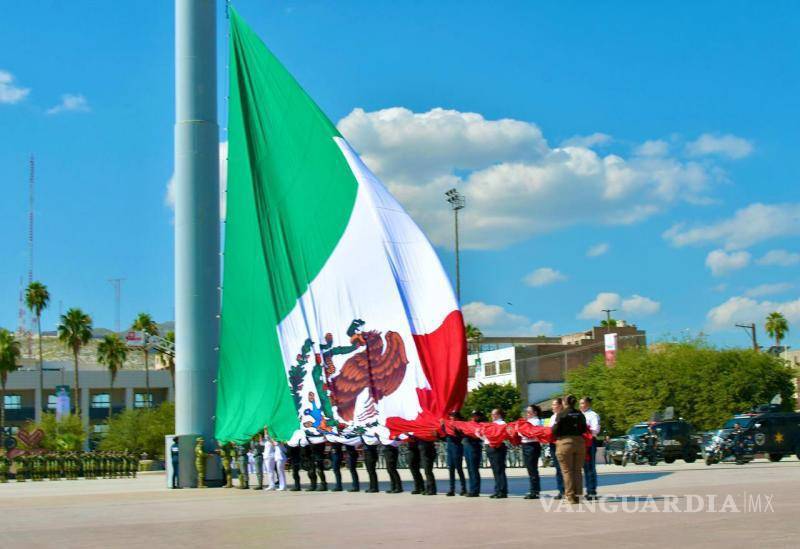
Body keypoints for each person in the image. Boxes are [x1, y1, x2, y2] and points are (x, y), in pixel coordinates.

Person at [552, 394, 587, 504]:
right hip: (579, 442)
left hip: (565, 443)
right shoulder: (580, 413)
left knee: (567, 471)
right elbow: (584, 429)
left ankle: (570, 497)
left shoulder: (561, 414)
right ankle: (579, 496)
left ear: (564, 402)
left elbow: (555, 430)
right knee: (578, 471)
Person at [521, 404, 543, 499]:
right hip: (526, 445)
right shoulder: (528, 421)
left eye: (529, 411)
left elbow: (532, 433)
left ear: (535, 412)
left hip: (532, 445)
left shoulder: (536, 421)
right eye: (526, 411)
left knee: (532, 469)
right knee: (530, 469)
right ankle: (534, 490)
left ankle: (534, 491)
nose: (527, 413)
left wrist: (522, 431)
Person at [580, 397, 600, 500]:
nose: (580, 405)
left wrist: (585, 429)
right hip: (581, 442)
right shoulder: (579, 415)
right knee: (585, 467)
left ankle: (592, 491)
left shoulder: (593, 415)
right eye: (580, 403)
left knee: (590, 467)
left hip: (590, 441)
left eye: (582, 403)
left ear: (588, 404)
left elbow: (595, 429)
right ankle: (588, 490)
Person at [485, 408, 508, 499]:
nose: (492, 416)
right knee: (495, 470)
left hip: (498, 447)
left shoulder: (502, 424)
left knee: (499, 470)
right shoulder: (491, 424)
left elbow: (499, 435)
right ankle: (497, 489)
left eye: (493, 414)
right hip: (490, 447)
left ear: (499, 415)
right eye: (492, 414)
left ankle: (502, 491)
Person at [445, 411, 466, 496]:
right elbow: (445, 438)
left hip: (457, 448)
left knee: (459, 469)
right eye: (450, 416)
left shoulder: (460, 425)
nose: (451, 417)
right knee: (451, 469)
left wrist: (454, 430)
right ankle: (452, 489)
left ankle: (463, 489)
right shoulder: (448, 425)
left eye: (453, 416)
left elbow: (460, 437)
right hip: (450, 449)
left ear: (457, 417)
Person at [463, 410, 484, 497]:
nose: (474, 417)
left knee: (474, 469)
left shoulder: (482, 425)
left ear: (479, 416)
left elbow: (481, 436)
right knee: (470, 469)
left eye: (476, 415)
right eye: (473, 415)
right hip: (467, 446)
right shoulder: (469, 424)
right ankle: (472, 489)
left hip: (474, 447)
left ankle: (475, 490)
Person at [548, 398, 565, 499]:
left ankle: (567, 490)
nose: (552, 407)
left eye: (554, 405)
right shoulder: (552, 417)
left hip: (561, 443)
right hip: (553, 444)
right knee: (558, 468)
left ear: (560, 406)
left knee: (563, 468)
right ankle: (561, 490)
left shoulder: (563, 416)